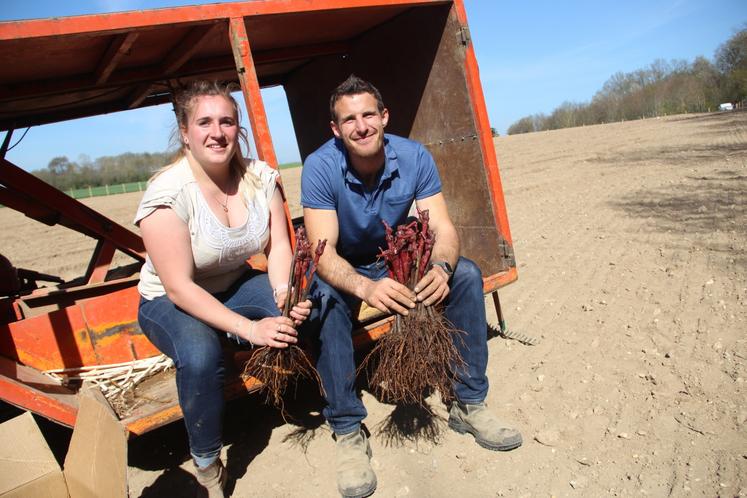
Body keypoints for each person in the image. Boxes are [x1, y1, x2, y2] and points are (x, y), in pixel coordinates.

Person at [301, 75, 523, 498]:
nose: (361, 125)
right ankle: (348, 430)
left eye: (369, 114)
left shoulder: (414, 156)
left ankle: (468, 402)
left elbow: (441, 227)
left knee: (467, 275)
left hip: (398, 256)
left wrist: (440, 267)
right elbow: (323, 252)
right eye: (348, 119)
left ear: (384, 117)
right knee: (325, 300)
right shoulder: (320, 166)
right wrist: (365, 288)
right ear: (335, 129)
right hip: (348, 266)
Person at [134, 80, 311, 497]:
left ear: (238, 128)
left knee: (305, 307)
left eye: (227, 121)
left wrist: (287, 295)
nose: (218, 132)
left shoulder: (260, 177)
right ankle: (208, 462)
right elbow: (179, 289)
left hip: (232, 285)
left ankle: (288, 384)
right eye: (205, 122)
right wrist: (249, 330)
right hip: (170, 300)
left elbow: (279, 248)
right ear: (185, 132)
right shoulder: (167, 195)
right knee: (200, 355)